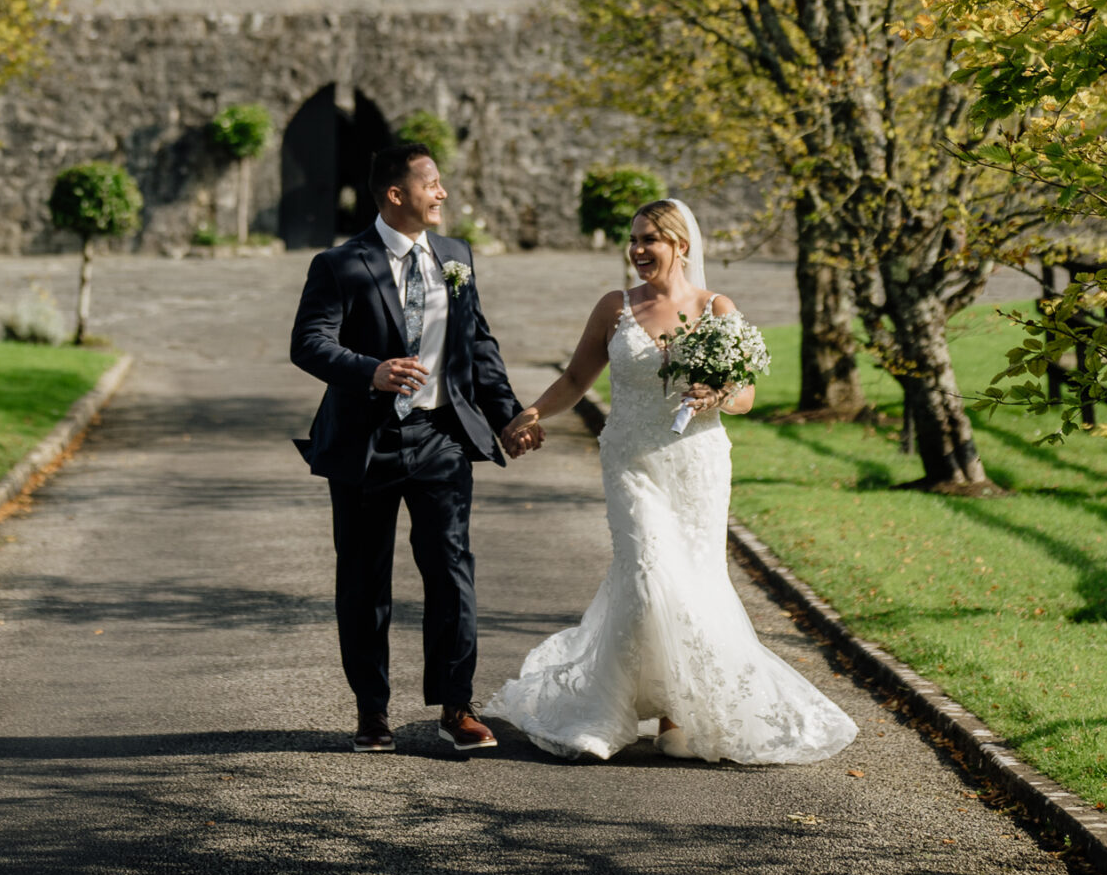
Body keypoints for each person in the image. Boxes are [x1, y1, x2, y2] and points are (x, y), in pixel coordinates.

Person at [484, 197, 858, 765]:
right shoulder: (615, 306)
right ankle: (603, 716)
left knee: (693, 580)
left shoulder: (716, 308)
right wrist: (532, 413)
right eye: (633, 240)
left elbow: (748, 395)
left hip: (697, 463)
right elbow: (576, 377)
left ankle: (676, 714)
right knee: (644, 574)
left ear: (681, 245)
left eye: (649, 240)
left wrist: (719, 393)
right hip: (630, 459)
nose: (637, 251)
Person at [289, 142, 532, 754]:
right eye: (433, 184)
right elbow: (309, 343)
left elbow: (477, 344)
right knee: (364, 583)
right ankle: (372, 713)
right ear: (396, 194)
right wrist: (369, 370)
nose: (443, 193)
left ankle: (457, 707)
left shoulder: (456, 257)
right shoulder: (341, 264)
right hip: (366, 445)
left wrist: (506, 415)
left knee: (452, 573)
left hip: (441, 438)